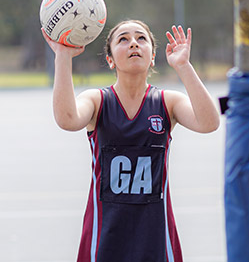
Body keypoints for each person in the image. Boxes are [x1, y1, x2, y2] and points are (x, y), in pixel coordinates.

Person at [48, 20, 220, 261]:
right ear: (110, 60)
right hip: (105, 232)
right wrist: (63, 57)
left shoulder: (166, 102)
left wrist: (183, 66)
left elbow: (209, 123)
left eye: (141, 38)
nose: (133, 44)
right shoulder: (98, 100)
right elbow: (67, 119)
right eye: (123, 40)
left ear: (152, 57)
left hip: (155, 234)